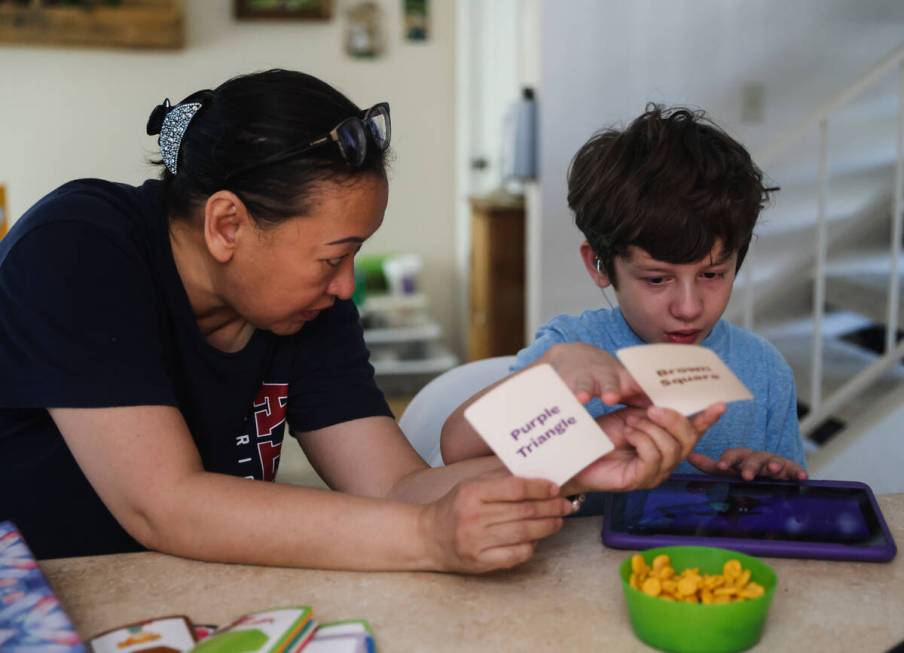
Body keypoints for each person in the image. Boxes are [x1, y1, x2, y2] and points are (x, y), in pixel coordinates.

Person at [0, 72, 718, 572]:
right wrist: (427, 539)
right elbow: (166, 506)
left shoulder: (307, 308)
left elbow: (394, 486)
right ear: (227, 224)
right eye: (332, 256)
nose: (346, 287)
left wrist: (568, 462)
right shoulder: (80, 247)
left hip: (194, 592)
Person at [442, 104, 807, 483]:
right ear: (599, 264)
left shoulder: (764, 369)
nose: (688, 308)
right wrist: (547, 373)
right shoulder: (572, 351)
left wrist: (766, 477)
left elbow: (790, 497)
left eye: (712, 273)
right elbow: (457, 452)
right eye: (656, 279)